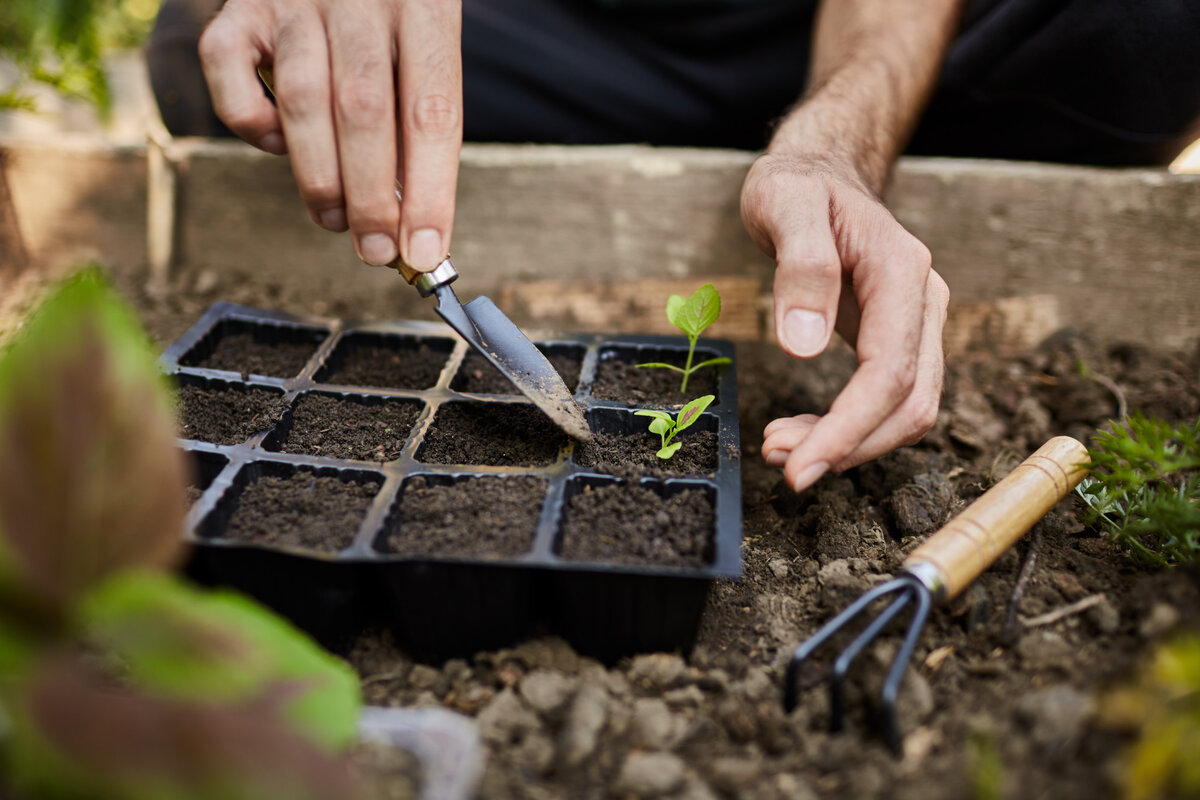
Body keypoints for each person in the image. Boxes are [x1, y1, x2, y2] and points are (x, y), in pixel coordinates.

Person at [154, 0, 1200, 492]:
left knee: (1150, 32)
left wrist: (835, 150)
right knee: (209, 48)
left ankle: (797, 141)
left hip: (820, 34)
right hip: (569, 36)